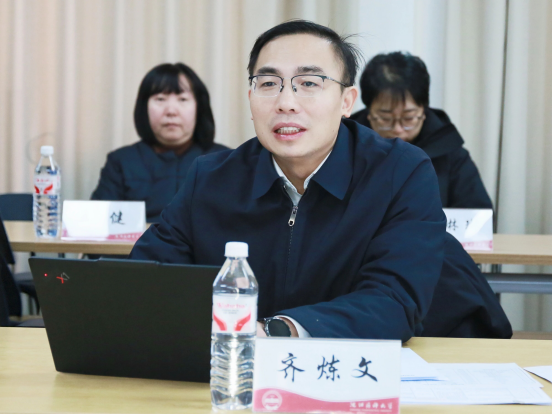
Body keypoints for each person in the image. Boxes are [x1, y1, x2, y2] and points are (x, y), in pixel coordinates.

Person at [129, 21, 510, 340]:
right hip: (238, 376)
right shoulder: (211, 177)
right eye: (268, 83)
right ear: (250, 97)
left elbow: (394, 299)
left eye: (309, 83)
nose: (286, 102)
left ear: (347, 101)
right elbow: (147, 280)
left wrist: (277, 332)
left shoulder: (401, 171)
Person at [350, 52, 493, 209]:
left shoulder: (450, 154)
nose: (398, 129)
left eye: (408, 118)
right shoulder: (346, 145)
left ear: (423, 111)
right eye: (385, 118)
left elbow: (478, 216)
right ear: (369, 112)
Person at [91, 63, 228, 222]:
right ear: (144, 107)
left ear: (199, 107)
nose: (171, 111)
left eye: (183, 99)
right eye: (160, 99)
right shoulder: (121, 162)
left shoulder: (224, 161)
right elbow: (98, 224)